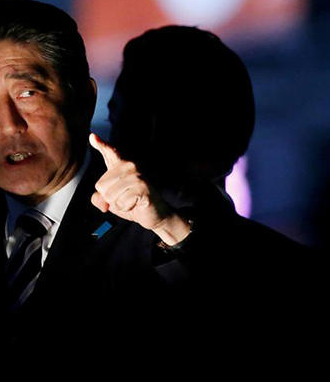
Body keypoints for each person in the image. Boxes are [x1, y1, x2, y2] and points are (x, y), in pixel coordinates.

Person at [0, 0, 197, 381]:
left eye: (27, 93)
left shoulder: (157, 214)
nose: (11, 125)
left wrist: (169, 227)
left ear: (83, 98)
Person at [108, 25, 329, 375]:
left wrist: (173, 230)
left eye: (121, 114)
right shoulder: (86, 236)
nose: (112, 136)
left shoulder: (289, 277)